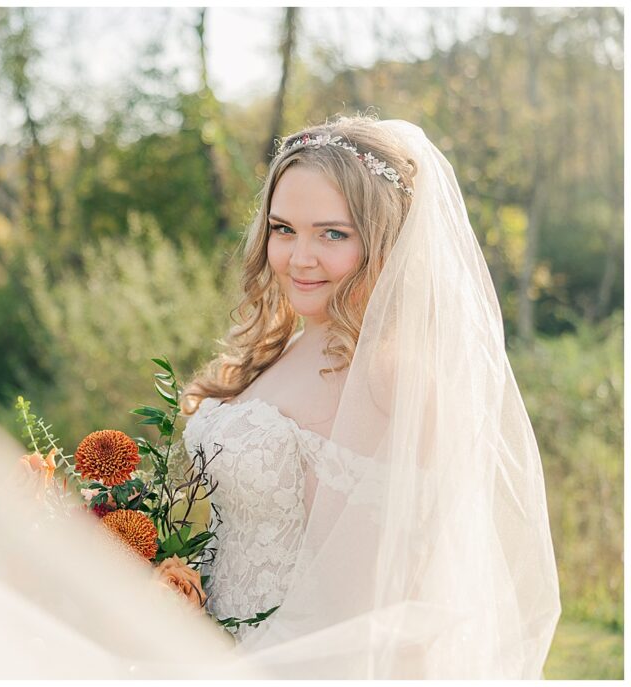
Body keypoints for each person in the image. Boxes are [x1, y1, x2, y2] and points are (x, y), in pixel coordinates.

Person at [179, 114, 561, 678]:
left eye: (333, 233)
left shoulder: (394, 376)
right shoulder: (282, 345)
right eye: (283, 229)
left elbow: (396, 595)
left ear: (387, 239)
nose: (299, 257)